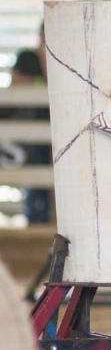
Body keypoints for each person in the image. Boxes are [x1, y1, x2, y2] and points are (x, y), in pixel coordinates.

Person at [7, 25, 52, 224]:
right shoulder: (29, 58)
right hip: (20, 143)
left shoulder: (56, 71)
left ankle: (38, 220)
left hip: (38, 148)